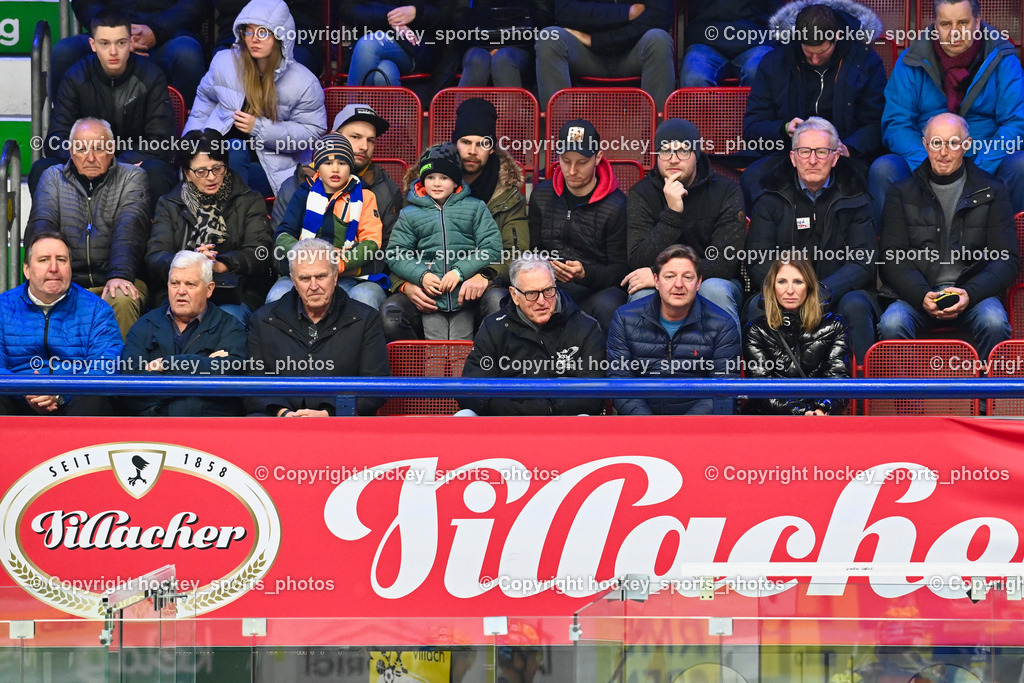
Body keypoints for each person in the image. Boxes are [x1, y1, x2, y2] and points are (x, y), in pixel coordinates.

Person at [877, 113, 1020, 362]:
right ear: (924, 144)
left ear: (966, 145)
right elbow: (892, 257)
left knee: (994, 321)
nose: (944, 152)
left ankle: (986, 400)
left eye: (953, 143)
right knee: (892, 323)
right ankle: (909, 401)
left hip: (974, 294)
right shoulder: (900, 193)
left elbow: (1007, 259)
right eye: (936, 143)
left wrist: (970, 293)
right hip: (918, 294)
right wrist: (921, 295)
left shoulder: (993, 190)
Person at [382, 98, 529, 339]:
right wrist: (405, 284)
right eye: (465, 142)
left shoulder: (508, 195)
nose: (472, 150)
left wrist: (485, 275)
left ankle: (486, 371)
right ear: (455, 144)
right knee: (391, 312)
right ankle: (412, 375)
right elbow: (398, 249)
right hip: (427, 284)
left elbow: (513, 252)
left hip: (482, 286)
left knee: (497, 301)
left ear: (492, 148)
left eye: (482, 143)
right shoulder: (422, 191)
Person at [870, 0, 1024, 222]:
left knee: (1021, 165)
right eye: (945, 24)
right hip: (926, 157)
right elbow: (896, 123)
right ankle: (892, 253)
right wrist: (929, 164)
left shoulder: (1002, 58)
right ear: (934, 25)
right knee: (883, 168)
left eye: (962, 23)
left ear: (977, 22)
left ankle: (1009, 250)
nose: (954, 32)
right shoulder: (912, 59)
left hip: (984, 157)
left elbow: (1016, 123)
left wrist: (979, 170)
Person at [745, 117, 878, 362]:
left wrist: (820, 293)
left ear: (835, 157)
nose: (813, 160)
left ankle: (857, 395)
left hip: (838, 291)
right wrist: (788, 289)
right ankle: (767, 395)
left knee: (857, 305)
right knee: (759, 305)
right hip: (784, 291)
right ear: (793, 157)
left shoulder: (857, 195)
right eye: (804, 152)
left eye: (821, 152)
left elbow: (863, 261)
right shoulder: (769, 195)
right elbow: (757, 258)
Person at [741, 1, 887, 208]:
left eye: (821, 52)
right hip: (789, 155)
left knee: (860, 185)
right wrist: (784, 129)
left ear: (836, 36)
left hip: (844, 155)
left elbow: (877, 122)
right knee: (753, 180)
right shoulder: (775, 62)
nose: (815, 59)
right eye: (808, 53)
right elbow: (752, 127)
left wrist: (850, 147)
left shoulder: (865, 62)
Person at [31, 10, 176, 210]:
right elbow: (56, 140)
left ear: (130, 42)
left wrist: (112, 163)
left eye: (121, 43)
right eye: (105, 43)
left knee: (158, 172)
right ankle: (49, 239)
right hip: (84, 164)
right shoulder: (75, 77)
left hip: (132, 165)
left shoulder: (151, 76)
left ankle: (153, 240)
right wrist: (87, 160)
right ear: (93, 45)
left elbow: (161, 141)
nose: (113, 52)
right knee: (42, 169)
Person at [184, 0, 327, 197]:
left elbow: (312, 133)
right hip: (217, 162)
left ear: (280, 36)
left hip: (269, 170)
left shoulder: (304, 83)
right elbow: (203, 106)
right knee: (233, 150)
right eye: (248, 32)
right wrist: (190, 148)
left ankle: (228, 222)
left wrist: (260, 129)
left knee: (236, 152)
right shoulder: (224, 62)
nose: (254, 39)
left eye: (262, 32)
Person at [26, 117, 150, 339]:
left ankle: (119, 373)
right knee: (43, 293)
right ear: (71, 151)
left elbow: (130, 228)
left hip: (117, 277)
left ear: (111, 150)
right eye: (82, 149)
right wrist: (55, 276)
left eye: (99, 149)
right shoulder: (53, 177)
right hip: (67, 280)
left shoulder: (132, 176)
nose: (90, 157)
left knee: (121, 297)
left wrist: (120, 274)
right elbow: (42, 228)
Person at [624, 118, 745, 331]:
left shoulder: (727, 192)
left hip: (712, 280)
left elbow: (724, 264)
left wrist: (667, 278)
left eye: (683, 151)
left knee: (714, 290)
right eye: (665, 151)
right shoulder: (641, 194)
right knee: (641, 294)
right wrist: (672, 214)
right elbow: (637, 259)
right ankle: (646, 365)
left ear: (696, 155)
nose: (673, 159)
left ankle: (725, 364)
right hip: (660, 279)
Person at [246, 238, 390, 416]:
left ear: (335, 276)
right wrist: (282, 413)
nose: (314, 286)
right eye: (305, 278)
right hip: (279, 422)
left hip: (342, 423)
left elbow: (375, 387)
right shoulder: (263, 320)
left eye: (321, 276)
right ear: (293, 281)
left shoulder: (366, 319)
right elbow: (252, 386)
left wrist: (328, 413)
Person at [147, 128, 274, 328]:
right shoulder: (170, 203)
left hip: (234, 293)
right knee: (162, 327)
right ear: (187, 173)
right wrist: (192, 262)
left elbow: (260, 252)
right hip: (180, 292)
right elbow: (155, 257)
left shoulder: (249, 200)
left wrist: (222, 264)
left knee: (225, 324)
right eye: (201, 171)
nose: (212, 177)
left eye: (217, 168)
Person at [459, 256, 606, 416]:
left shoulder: (586, 327)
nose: (542, 301)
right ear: (514, 295)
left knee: (584, 419)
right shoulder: (493, 327)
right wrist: (511, 409)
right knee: (464, 415)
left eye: (548, 291)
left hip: (563, 423)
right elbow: (471, 388)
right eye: (531, 293)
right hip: (505, 422)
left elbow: (594, 395)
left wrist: (547, 408)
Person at [386, 143, 503, 340]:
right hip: (431, 297)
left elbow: (491, 247)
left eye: (444, 177)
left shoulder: (475, 208)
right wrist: (421, 275)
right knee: (435, 347)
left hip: (464, 298)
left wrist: (459, 271)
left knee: (461, 345)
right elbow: (396, 253)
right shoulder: (410, 213)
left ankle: (461, 372)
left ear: (456, 181)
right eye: (430, 177)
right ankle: (435, 373)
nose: (436, 183)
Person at [607, 244, 741, 416]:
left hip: (699, 431)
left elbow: (723, 387)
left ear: (699, 282)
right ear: (656, 281)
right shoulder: (625, 318)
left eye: (687, 277)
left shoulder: (722, 324)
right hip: (641, 428)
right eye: (670, 276)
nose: (678, 284)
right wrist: (650, 427)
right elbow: (620, 380)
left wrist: (682, 430)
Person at [0, 231, 123, 416]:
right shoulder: (3, 307)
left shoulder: (97, 309)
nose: (54, 268)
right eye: (43, 260)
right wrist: (25, 389)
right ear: (26, 270)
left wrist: (59, 394)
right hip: (17, 398)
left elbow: (106, 366)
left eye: (61, 260)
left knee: (95, 399)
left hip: (74, 401)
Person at [528, 119, 628, 333]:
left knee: (608, 305)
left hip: (597, 289)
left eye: (582, 162)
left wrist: (585, 274)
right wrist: (546, 270)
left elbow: (621, 270)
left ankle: (606, 366)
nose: (572, 170)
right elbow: (533, 250)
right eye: (565, 161)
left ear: (598, 157)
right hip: (549, 285)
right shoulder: (542, 195)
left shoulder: (617, 205)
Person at [123, 251, 248, 416]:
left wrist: (165, 365)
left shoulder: (230, 327)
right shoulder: (145, 325)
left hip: (207, 430)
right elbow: (129, 388)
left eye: (190, 284)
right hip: (152, 430)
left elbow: (230, 378)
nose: (181, 291)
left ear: (209, 289)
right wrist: (203, 369)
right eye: (175, 283)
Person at [271, 132, 387, 310]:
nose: (335, 169)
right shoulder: (303, 193)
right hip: (307, 271)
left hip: (349, 275)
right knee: (276, 296)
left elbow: (372, 242)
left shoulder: (365, 196)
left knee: (363, 298)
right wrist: (310, 257)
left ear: (350, 167)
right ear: (318, 167)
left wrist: (338, 263)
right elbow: (284, 234)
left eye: (342, 163)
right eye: (328, 163)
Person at [273, 104, 401, 251]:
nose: (364, 146)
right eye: (355, 137)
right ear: (334, 137)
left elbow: (387, 254)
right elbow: (278, 252)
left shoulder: (386, 189)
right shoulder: (295, 185)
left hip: (356, 272)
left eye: (370, 140)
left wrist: (344, 266)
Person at [744, 256, 850, 415]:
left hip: (820, 419)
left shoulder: (835, 326)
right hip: (771, 422)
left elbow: (838, 378)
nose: (790, 290)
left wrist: (821, 409)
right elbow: (761, 389)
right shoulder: (756, 331)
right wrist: (801, 412)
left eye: (798, 282)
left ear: (809, 286)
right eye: (782, 282)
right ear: (772, 287)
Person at [51, 0, 206, 107]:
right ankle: (67, 143)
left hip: (169, 36)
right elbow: (85, 4)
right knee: (64, 53)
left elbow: (195, 4)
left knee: (187, 55)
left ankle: (190, 146)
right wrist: (116, 32)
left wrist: (155, 31)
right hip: (109, 31)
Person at [534, 0, 675, 110]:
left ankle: (658, 137)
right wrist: (627, 12)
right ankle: (563, 137)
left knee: (659, 39)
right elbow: (566, 11)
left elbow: (658, 17)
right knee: (549, 37)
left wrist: (596, 41)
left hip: (633, 52)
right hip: (586, 54)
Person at [340, 0, 445, 86]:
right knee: (384, 72)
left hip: (414, 47)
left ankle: (353, 110)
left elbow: (447, 16)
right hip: (368, 36)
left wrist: (417, 12)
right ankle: (391, 111)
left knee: (367, 44)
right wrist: (391, 18)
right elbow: (347, 9)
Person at [679, 0, 782, 87]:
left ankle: (746, 111)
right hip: (705, 40)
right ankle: (718, 111)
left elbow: (778, 12)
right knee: (694, 78)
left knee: (758, 72)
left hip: (756, 39)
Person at [455, 0, 552, 88]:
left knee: (503, 58)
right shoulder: (473, 6)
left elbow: (539, 25)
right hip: (477, 47)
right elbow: (461, 34)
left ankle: (510, 107)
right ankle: (464, 107)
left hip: (520, 48)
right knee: (477, 59)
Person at [214, 0, 324, 76]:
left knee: (294, 73)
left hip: (296, 35)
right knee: (224, 67)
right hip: (238, 32)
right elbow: (225, 5)